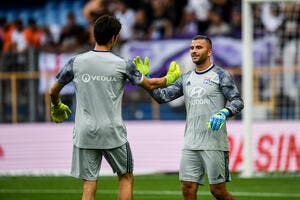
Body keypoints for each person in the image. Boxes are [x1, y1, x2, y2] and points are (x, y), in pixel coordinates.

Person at [48, 14, 181, 200]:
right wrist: (170, 78)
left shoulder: (75, 62)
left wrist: (57, 106)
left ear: (94, 35)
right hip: (112, 132)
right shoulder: (122, 65)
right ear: (114, 38)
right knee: (125, 177)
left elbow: (53, 91)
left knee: (89, 183)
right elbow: (151, 85)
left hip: (85, 132)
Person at [137, 35, 244, 200]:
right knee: (187, 188)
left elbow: (237, 101)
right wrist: (147, 80)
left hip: (214, 143)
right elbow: (161, 96)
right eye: (192, 48)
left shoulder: (221, 75)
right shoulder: (186, 78)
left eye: (199, 47)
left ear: (209, 52)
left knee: (218, 191)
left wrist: (224, 112)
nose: (194, 51)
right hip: (191, 143)